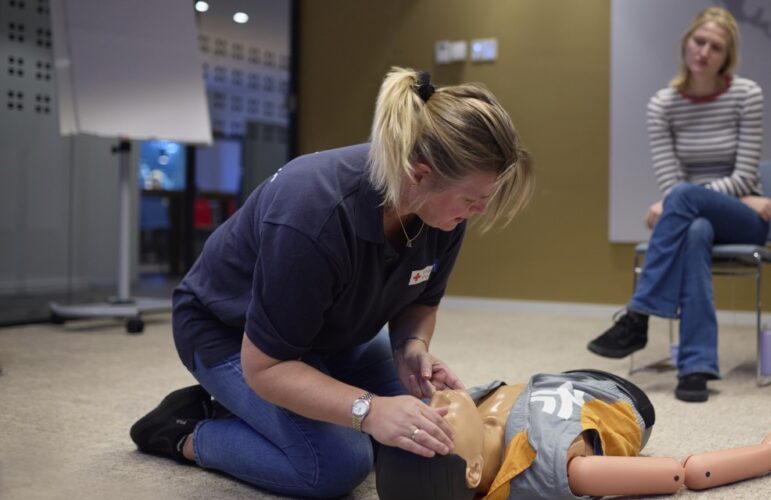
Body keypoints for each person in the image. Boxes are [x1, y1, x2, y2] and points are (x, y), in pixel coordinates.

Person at [128, 67, 534, 498]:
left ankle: (269, 413)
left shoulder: (442, 212)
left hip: (332, 335)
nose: (478, 211)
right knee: (338, 463)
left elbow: (421, 301)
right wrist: (370, 411)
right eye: (472, 199)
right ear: (419, 174)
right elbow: (267, 366)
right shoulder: (312, 214)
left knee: (426, 428)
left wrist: (410, 348)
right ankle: (189, 429)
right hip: (231, 335)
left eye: (484, 199)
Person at [587, 6, 771, 403]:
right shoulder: (663, 104)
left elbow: (743, 176)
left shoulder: (746, 95)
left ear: (727, 56)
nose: (705, 52)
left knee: (684, 199)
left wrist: (689, 197)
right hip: (698, 217)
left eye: (716, 47)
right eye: (699, 41)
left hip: (746, 218)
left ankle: (638, 315)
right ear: (685, 43)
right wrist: (685, 198)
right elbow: (671, 183)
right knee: (694, 230)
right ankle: (695, 368)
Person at [375, 370, 771, 499]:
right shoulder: (556, 467)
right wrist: (767, 454)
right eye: (437, 422)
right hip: (619, 396)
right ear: (473, 472)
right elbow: (685, 473)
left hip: (551, 382)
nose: (433, 404)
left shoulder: (468, 407)